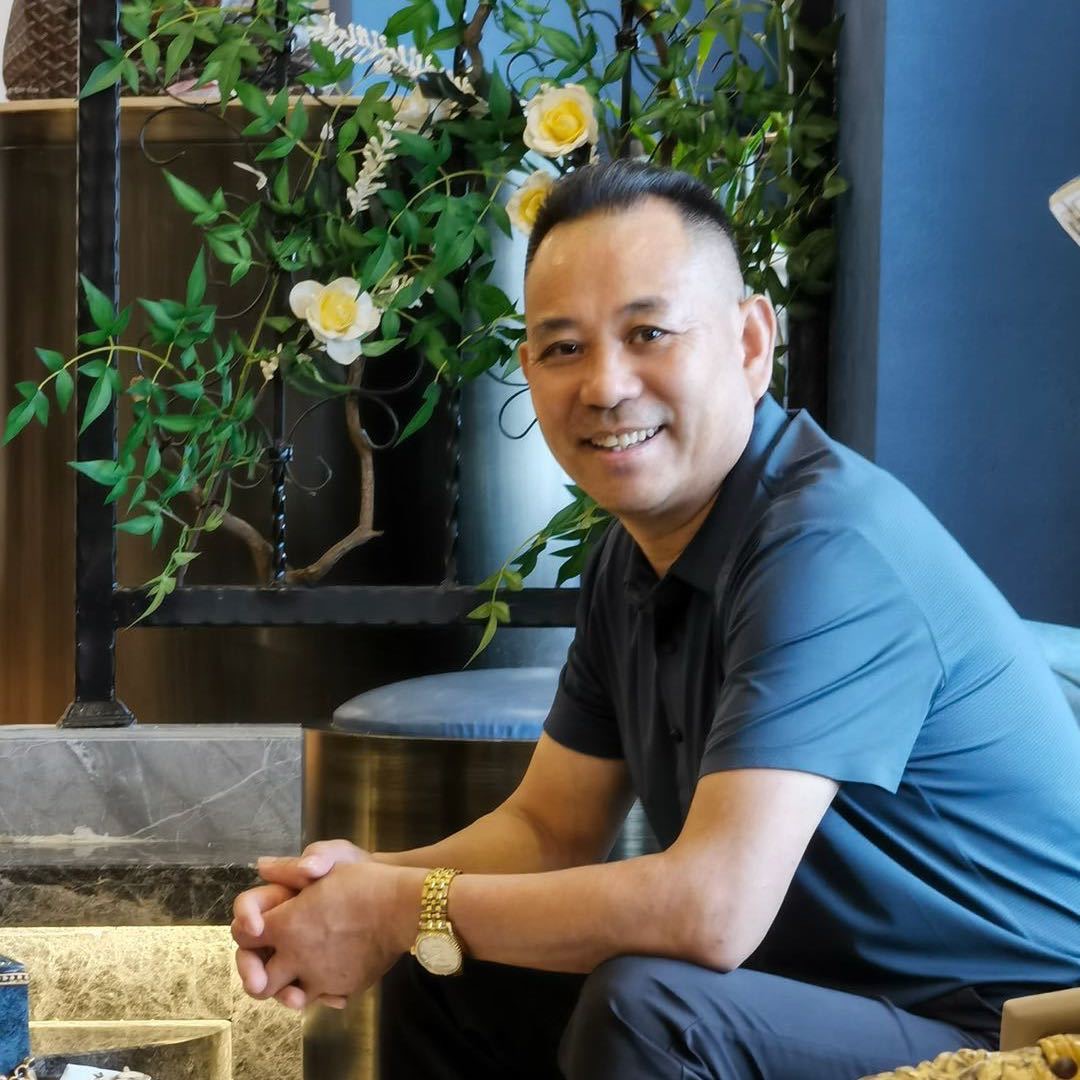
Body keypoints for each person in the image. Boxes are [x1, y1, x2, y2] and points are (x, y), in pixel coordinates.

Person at [231, 162, 1080, 1079]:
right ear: (529, 370)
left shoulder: (829, 547)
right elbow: (549, 829)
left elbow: (710, 911)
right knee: (448, 961)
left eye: (649, 334)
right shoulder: (635, 556)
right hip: (823, 997)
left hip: (1014, 1026)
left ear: (751, 342)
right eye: (564, 347)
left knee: (646, 1009)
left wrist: (402, 907)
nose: (604, 385)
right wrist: (362, 884)